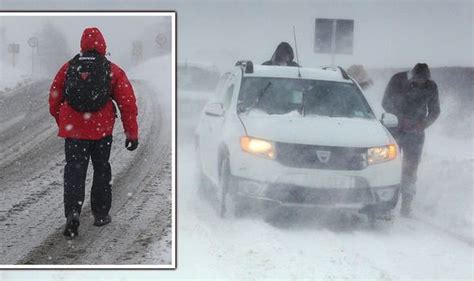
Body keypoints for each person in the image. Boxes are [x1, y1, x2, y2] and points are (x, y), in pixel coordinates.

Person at [49, 27, 139, 238]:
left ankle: (73, 213)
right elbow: (127, 104)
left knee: (74, 171)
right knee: (101, 170)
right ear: (103, 45)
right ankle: (100, 214)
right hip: (101, 132)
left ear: (82, 44)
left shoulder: (69, 67)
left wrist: (64, 121)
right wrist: (131, 134)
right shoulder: (111, 70)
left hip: (74, 133)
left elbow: (54, 99)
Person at [382, 63, 440, 217]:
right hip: (394, 129)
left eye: (424, 80)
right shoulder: (397, 80)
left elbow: (435, 110)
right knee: (389, 165)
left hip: (416, 134)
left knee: (411, 169)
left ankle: (406, 205)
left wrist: (424, 124)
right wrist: (401, 120)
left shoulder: (431, 87)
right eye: (418, 79)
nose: (421, 83)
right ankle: (386, 202)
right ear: (412, 76)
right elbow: (386, 102)